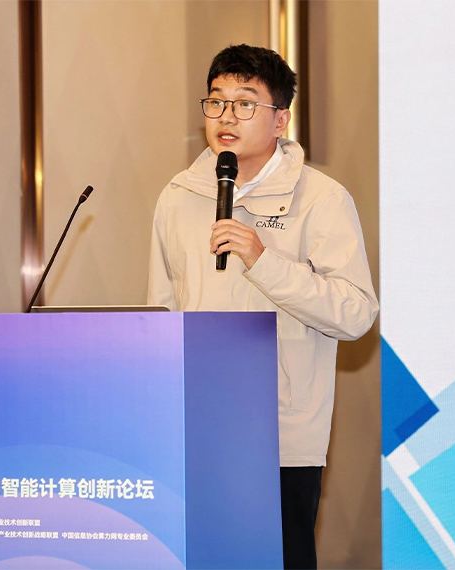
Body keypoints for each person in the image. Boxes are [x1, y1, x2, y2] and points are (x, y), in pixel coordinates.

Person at [147, 44, 378, 569]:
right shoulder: (177, 197)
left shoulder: (320, 198)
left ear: (280, 119)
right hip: (197, 425)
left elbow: (355, 312)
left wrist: (263, 260)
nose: (226, 116)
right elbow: (161, 310)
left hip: (281, 433)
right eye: (217, 101)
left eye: (245, 103)